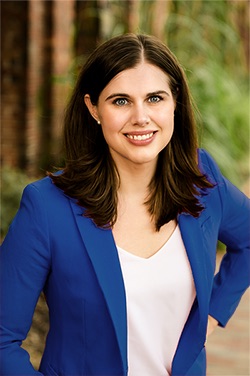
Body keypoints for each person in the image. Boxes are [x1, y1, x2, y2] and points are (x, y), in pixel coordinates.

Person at [0, 33, 249, 376]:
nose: (141, 117)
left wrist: (213, 313)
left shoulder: (201, 180)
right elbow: (2, 339)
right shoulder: (47, 206)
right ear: (93, 108)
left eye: (155, 98)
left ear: (175, 101)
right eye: (120, 101)